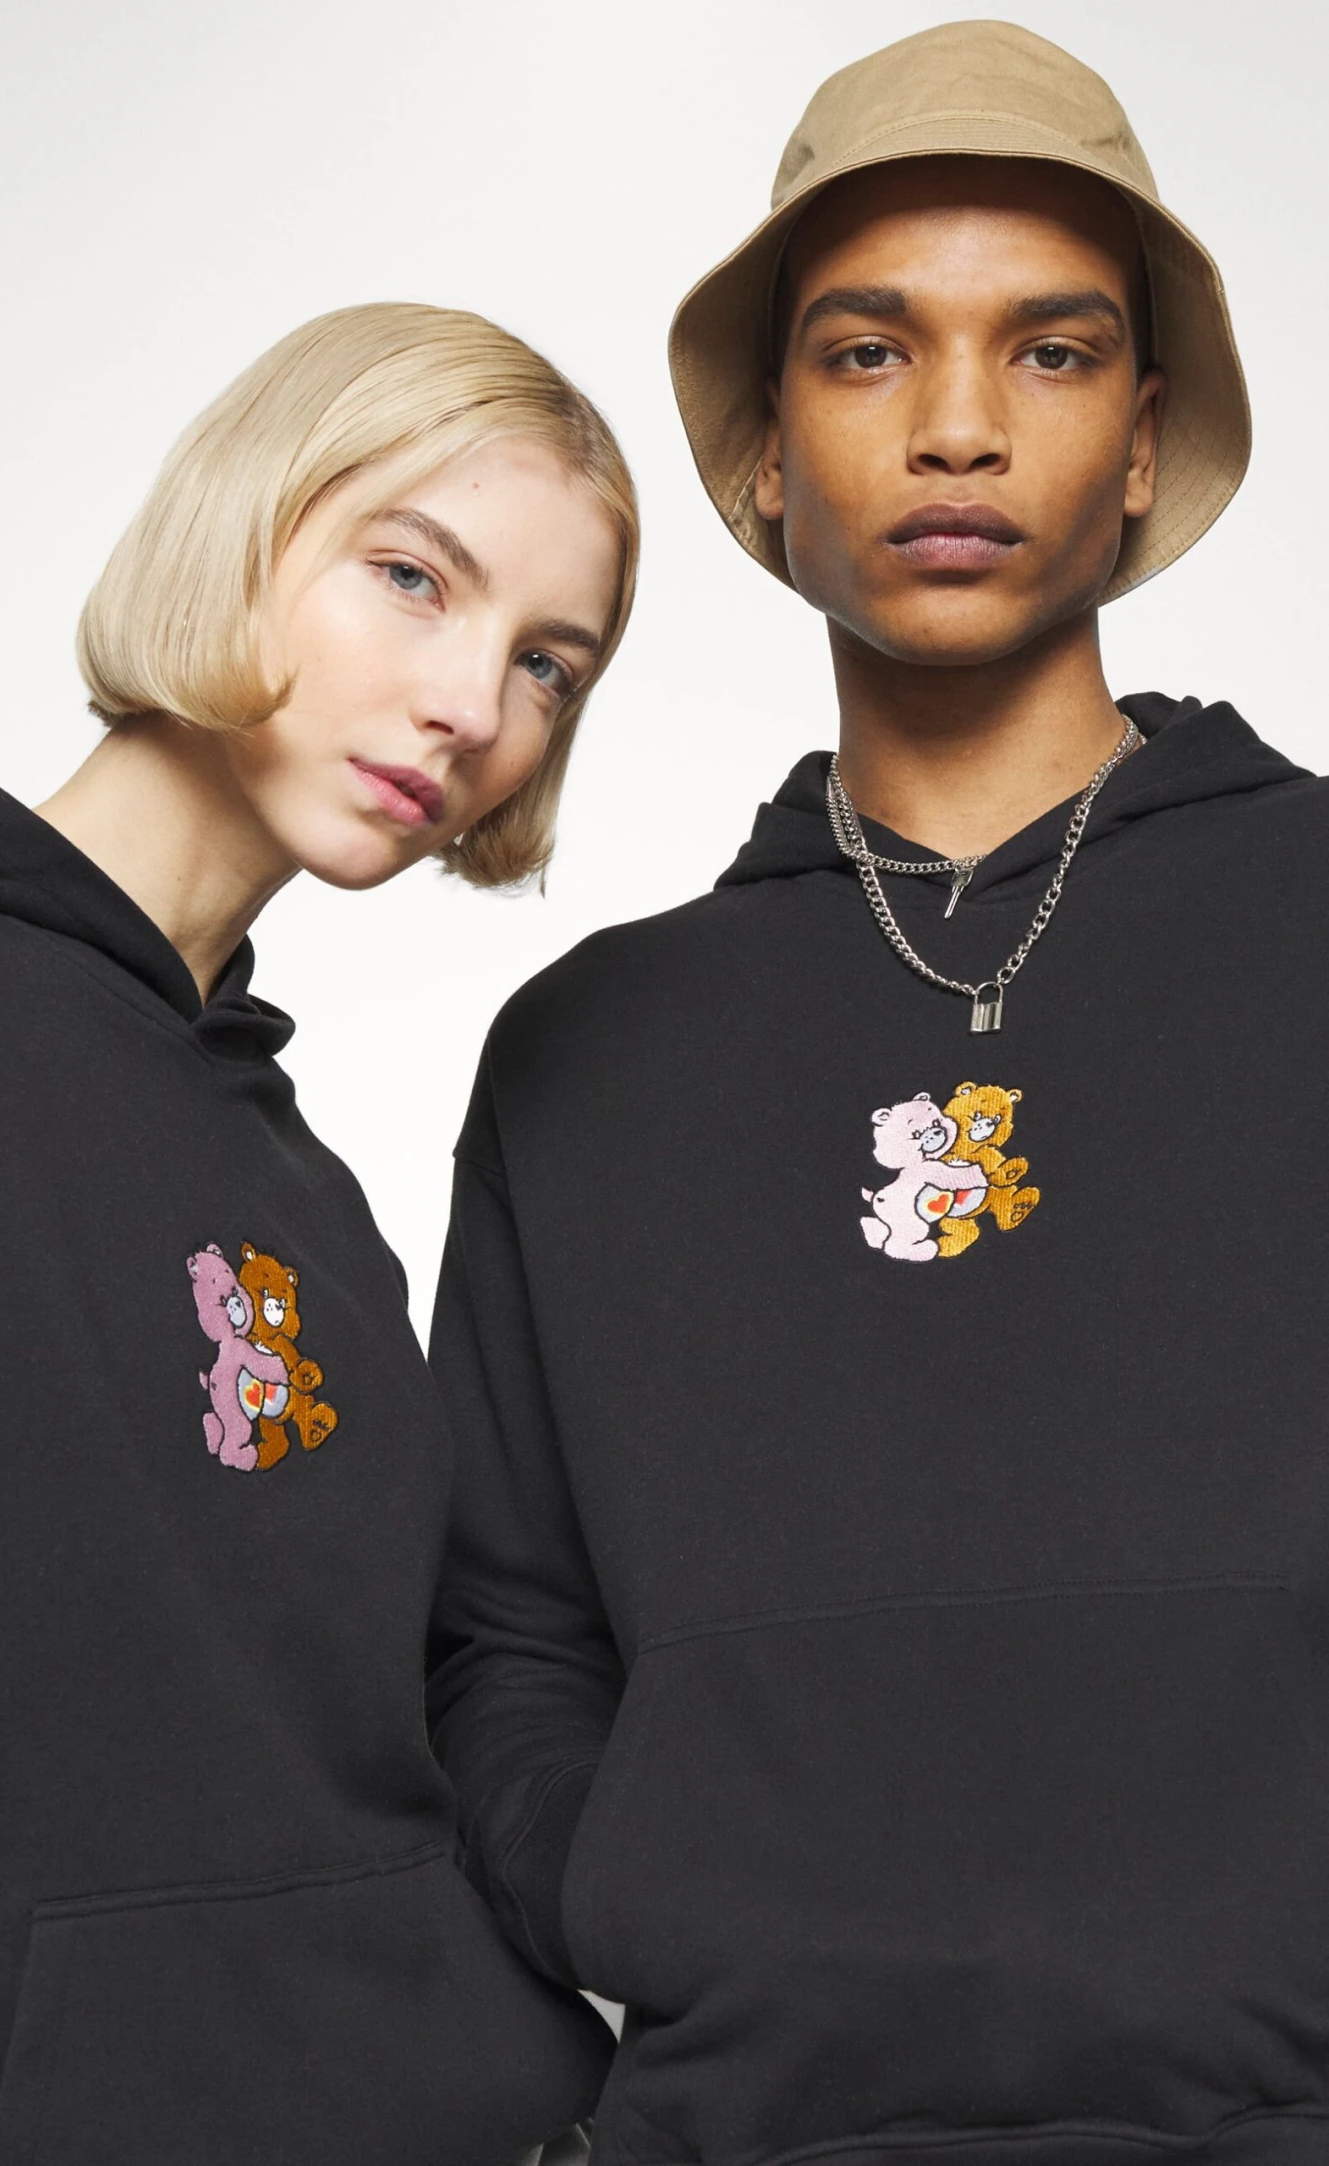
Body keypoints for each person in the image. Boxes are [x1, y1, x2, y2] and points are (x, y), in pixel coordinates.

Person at [427, 23, 1329, 2163]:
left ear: (1142, 440)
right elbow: (500, 1637)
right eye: (866, 352)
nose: (956, 425)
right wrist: (639, 1891)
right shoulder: (590, 1050)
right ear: (764, 455)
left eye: (1051, 351)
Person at [0, 301, 636, 2166]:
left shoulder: (314, 1217)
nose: (473, 705)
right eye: (412, 577)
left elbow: (359, 1761)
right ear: (240, 522)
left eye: (549, 664)